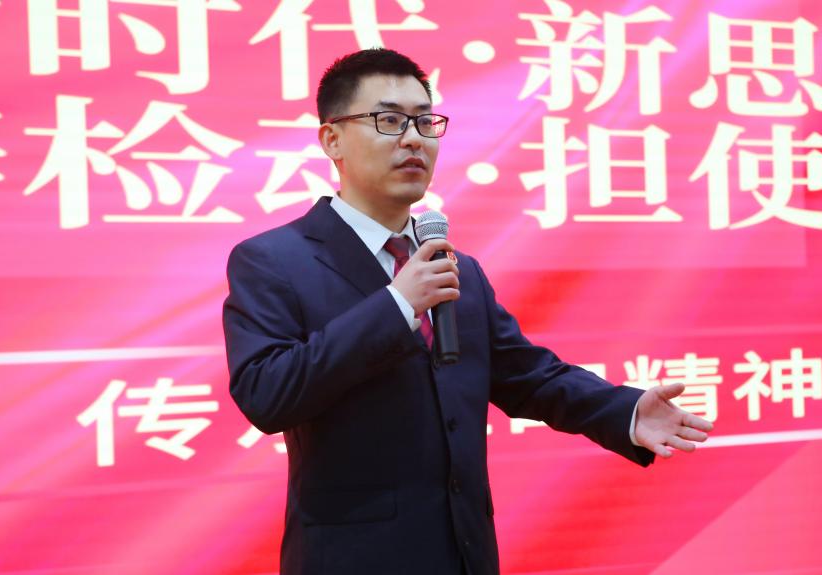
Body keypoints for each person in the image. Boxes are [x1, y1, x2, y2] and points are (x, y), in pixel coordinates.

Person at [222, 47, 713, 575]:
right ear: (332, 139)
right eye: (389, 120)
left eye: (425, 121)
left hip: (465, 554)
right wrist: (396, 305)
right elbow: (266, 393)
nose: (414, 138)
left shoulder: (455, 267)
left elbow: (528, 376)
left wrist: (626, 411)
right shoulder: (274, 260)